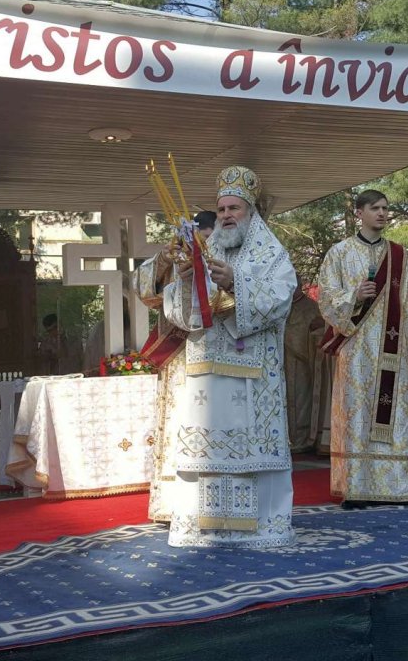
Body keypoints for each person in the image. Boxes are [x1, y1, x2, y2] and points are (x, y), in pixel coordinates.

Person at [160, 166, 297, 548]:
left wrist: (236, 281)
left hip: (255, 375)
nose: (226, 216)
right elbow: (177, 310)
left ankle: (264, 527)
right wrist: (186, 280)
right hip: (207, 374)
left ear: (251, 213)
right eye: (221, 209)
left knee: (254, 448)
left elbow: (281, 299)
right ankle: (202, 528)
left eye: (234, 208)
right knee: (205, 444)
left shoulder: (272, 253)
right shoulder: (205, 251)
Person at [318, 190, 408, 508]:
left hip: (391, 348)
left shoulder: (399, 255)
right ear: (360, 213)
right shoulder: (339, 253)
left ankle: (397, 487)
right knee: (357, 413)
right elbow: (326, 299)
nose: (382, 213)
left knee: (394, 414)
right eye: (375, 208)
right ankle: (357, 487)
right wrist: (353, 296)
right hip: (355, 348)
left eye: (385, 208)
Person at [134, 209, 215, 523]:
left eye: (207, 239)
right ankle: (174, 501)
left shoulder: (224, 258)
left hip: (214, 350)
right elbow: (145, 291)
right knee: (179, 420)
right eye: (199, 238)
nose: (203, 245)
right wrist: (164, 262)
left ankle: (212, 498)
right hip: (179, 355)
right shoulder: (174, 257)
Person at [282, 287, 323, 452]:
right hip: (281, 360)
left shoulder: (312, 307)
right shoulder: (281, 305)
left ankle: (301, 438)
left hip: (302, 363)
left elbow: (317, 331)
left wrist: (288, 337)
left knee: (300, 399)